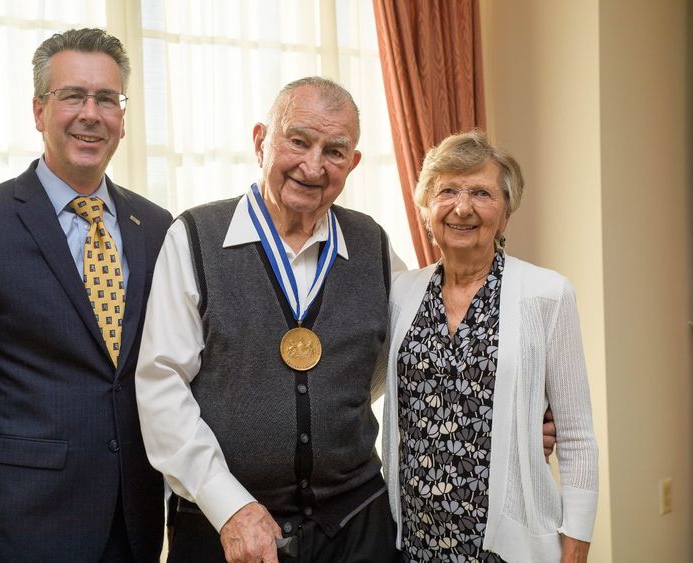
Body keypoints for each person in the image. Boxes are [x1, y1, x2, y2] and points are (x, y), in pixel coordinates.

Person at [0, 28, 172, 562]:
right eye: (73, 96)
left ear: (121, 118)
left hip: (136, 526)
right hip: (28, 533)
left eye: (107, 98)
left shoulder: (155, 226)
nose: (91, 113)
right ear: (39, 111)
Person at [135, 77, 402, 563]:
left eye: (335, 151)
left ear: (354, 163)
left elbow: (422, 349)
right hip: (224, 531)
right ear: (261, 141)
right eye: (298, 141)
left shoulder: (374, 246)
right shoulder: (193, 236)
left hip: (358, 527)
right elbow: (161, 386)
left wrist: (521, 402)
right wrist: (229, 506)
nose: (313, 165)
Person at [379, 130, 598, 562]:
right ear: (426, 209)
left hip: (508, 546)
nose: (463, 207)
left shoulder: (546, 294)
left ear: (506, 214)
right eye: (447, 191)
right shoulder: (400, 293)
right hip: (415, 542)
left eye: (481, 192)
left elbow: (576, 436)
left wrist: (576, 545)